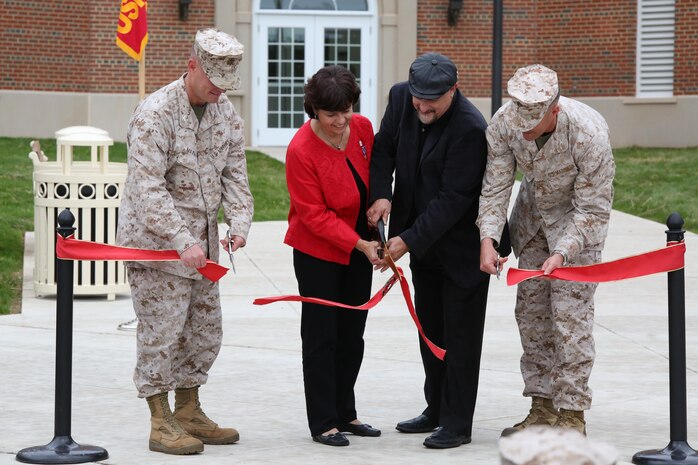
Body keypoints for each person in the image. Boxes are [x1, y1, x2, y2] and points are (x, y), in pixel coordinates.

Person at [116, 28, 254, 455]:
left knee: (204, 330)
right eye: (213, 84)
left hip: (203, 248)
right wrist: (180, 239)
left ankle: (190, 409)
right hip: (157, 248)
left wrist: (239, 222)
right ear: (192, 65)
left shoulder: (224, 112)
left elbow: (235, 171)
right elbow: (147, 189)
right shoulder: (154, 114)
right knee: (163, 331)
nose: (218, 93)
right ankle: (160, 421)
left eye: (225, 87)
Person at [367, 52, 506, 449]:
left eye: (432, 100)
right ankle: (435, 409)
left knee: (460, 339)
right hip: (423, 244)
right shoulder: (400, 99)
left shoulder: (469, 127)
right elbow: (384, 150)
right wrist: (381, 194)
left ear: (453, 91)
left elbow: (453, 199)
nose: (422, 106)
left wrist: (405, 241)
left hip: (461, 249)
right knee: (431, 331)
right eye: (418, 98)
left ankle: (458, 423)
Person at [477, 64, 615, 436]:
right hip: (534, 222)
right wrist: (488, 239)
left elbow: (593, 209)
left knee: (570, 319)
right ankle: (542, 407)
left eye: (533, 121)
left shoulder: (589, 134)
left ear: (554, 109)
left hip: (577, 227)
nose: (524, 128)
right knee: (532, 313)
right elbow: (495, 186)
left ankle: (571, 415)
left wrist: (564, 251)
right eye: (520, 118)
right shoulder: (506, 122)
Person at [284, 65, 383, 447]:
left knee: (352, 335)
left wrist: (379, 203)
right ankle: (323, 420)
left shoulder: (361, 127)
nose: (342, 121)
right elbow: (314, 215)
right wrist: (359, 244)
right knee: (322, 337)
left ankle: (347, 412)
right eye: (332, 115)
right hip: (318, 253)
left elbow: (374, 174)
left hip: (361, 247)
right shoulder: (300, 150)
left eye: (346, 110)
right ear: (313, 111)